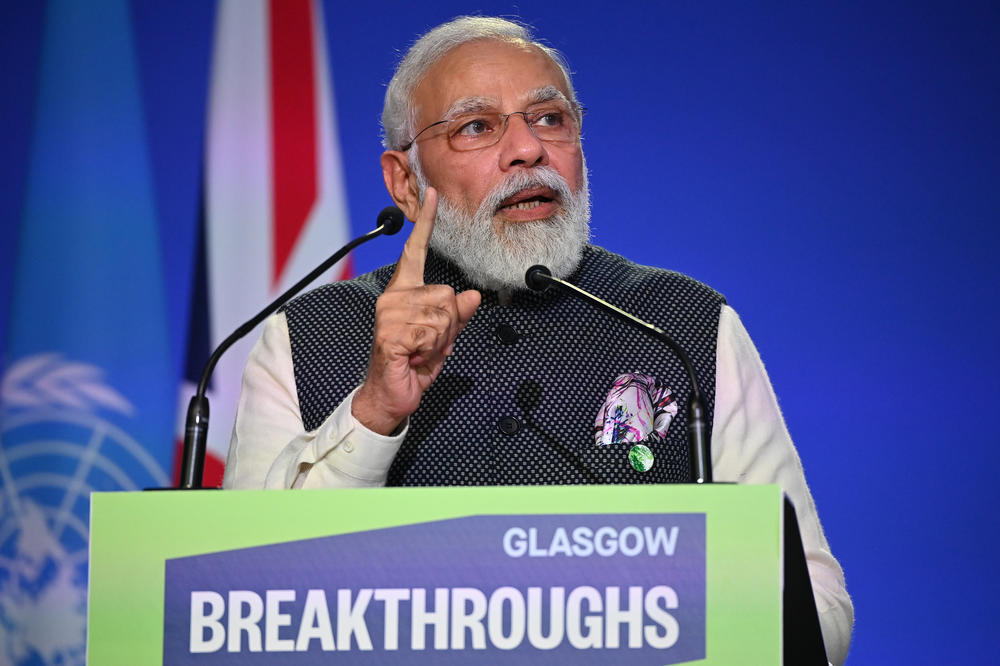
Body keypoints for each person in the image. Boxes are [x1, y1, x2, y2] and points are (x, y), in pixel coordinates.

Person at [223, 16, 853, 663]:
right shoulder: (308, 337)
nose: (527, 149)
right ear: (405, 183)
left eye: (549, 118)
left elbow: (818, 602)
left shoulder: (684, 327)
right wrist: (375, 414)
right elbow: (236, 598)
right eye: (477, 126)